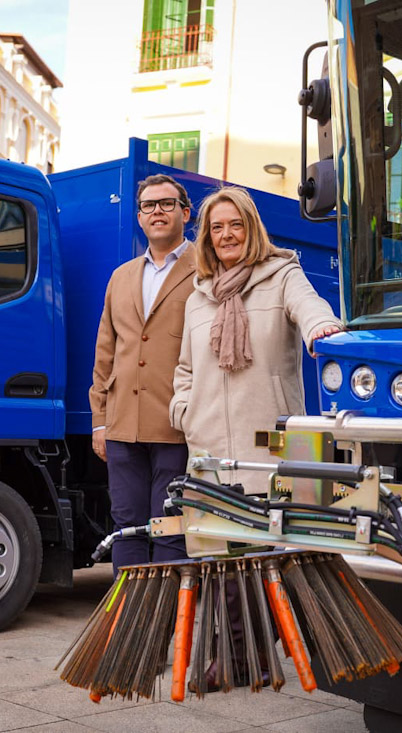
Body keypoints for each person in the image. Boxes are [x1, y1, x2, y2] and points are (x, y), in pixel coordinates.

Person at [171, 186, 342, 495]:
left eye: (236, 224)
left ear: (251, 228)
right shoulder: (197, 299)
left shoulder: (282, 275)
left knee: (279, 542)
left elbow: (309, 304)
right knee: (214, 543)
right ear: (208, 238)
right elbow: (185, 370)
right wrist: (185, 412)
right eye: (217, 227)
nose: (227, 235)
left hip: (273, 450)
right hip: (208, 456)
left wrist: (322, 327)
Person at [90, 174, 197, 573]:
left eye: (167, 204)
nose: (157, 212)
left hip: (177, 425)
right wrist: (100, 421)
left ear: (185, 213)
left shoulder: (205, 270)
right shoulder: (122, 276)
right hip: (122, 426)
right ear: (139, 217)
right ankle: (129, 624)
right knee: (127, 527)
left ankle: (167, 621)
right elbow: (106, 351)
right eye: (149, 205)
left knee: (170, 529)